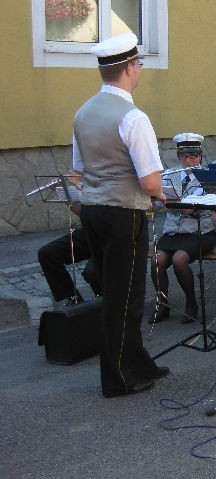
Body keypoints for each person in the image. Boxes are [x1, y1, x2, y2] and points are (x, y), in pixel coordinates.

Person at [72, 33, 168, 398]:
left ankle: (138, 361)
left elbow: (78, 168)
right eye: (138, 64)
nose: (139, 69)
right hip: (122, 213)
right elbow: (150, 181)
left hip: (93, 210)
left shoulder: (83, 112)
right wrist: (160, 194)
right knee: (125, 297)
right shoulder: (133, 117)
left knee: (117, 291)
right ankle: (118, 377)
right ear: (129, 68)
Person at [150, 133, 216, 324]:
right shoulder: (167, 175)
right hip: (173, 232)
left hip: (201, 231)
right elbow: (158, 205)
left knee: (179, 259)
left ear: (200, 156)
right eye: (185, 156)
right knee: (156, 261)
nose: (189, 161)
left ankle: (191, 303)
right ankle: (163, 304)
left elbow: (193, 207)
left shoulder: (208, 177)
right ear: (179, 157)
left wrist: (171, 202)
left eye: (194, 156)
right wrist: (153, 201)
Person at [38, 221, 101, 304]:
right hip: (93, 229)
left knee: (92, 272)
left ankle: (107, 304)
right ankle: (74, 302)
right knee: (47, 254)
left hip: (114, 232)